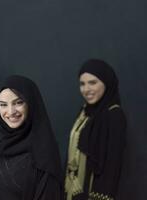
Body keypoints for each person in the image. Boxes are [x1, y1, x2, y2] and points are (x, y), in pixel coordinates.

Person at [0, 75, 62, 200]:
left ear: (31, 104)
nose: (11, 111)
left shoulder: (44, 152)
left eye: (18, 102)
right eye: (3, 105)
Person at [64, 59, 126, 200]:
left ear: (106, 83)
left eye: (92, 82)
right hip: (73, 190)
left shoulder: (114, 115)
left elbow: (112, 165)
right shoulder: (85, 113)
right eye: (82, 84)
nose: (86, 89)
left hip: (93, 193)